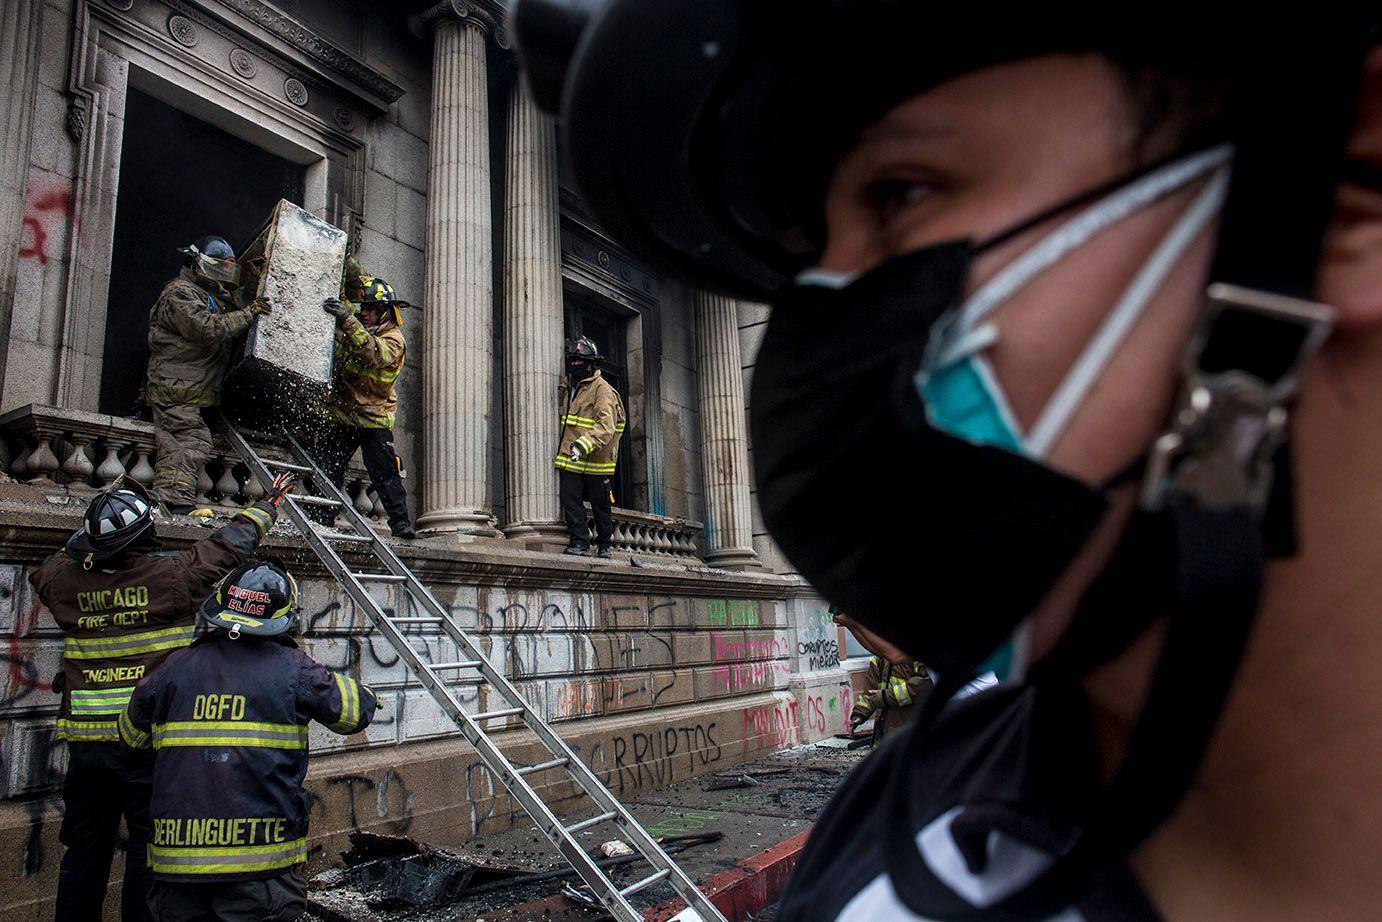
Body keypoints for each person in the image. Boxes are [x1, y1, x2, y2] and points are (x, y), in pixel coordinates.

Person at [515, 4, 1382, 919]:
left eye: (902, 195)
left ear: (1344, 187)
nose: (820, 335)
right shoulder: (891, 831)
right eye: (811, 263)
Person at [29, 474, 290, 921]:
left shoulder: (64, 585)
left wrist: (87, 540)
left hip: (85, 747)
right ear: (147, 532)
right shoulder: (172, 578)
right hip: (144, 745)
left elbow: (49, 566)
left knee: (83, 856)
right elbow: (226, 547)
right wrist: (266, 508)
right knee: (146, 856)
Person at [119, 558, 377, 921]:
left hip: (175, 866)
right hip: (260, 868)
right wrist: (368, 694)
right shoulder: (294, 669)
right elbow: (354, 714)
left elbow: (130, 736)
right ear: (285, 617)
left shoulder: (173, 667)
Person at [145, 235, 272, 515]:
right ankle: (172, 504)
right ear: (197, 262)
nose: (224, 274)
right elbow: (207, 329)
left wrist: (255, 279)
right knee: (188, 442)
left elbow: (233, 308)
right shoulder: (180, 293)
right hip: (176, 389)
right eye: (219, 267)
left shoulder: (211, 296)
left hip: (197, 390)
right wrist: (250, 313)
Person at [316, 277, 416, 539]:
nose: (364, 313)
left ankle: (400, 523)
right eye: (363, 308)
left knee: (385, 474)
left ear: (383, 311)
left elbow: (374, 353)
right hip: (344, 413)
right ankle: (323, 518)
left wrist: (347, 321)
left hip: (374, 418)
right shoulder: (358, 330)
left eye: (370, 309)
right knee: (328, 466)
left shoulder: (394, 340)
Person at [555, 336, 626, 558]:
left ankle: (605, 545)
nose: (575, 364)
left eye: (580, 361)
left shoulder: (603, 390)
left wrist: (583, 445)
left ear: (591, 363)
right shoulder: (569, 387)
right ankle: (580, 543)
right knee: (570, 499)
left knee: (600, 505)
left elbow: (606, 426)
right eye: (573, 360)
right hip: (572, 457)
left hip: (596, 460)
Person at [833, 609, 932, 741]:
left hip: (909, 730)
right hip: (884, 730)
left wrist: (884, 697)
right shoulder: (880, 660)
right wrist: (860, 714)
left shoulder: (914, 655)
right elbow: (869, 694)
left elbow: (922, 687)